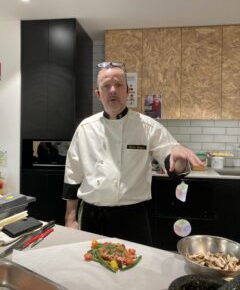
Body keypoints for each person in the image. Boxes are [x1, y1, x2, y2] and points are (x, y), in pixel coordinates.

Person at [63, 62, 203, 246]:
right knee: (91, 271)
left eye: (119, 85)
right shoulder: (85, 128)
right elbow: (73, 175)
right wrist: (70, 218)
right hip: (92, 217)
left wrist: (180, 159)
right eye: (106, 86)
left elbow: (174, 164)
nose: (113, 90)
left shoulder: (147, 126)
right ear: (98, 93)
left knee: (137, 270)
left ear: (128, 91)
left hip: (132, 218)